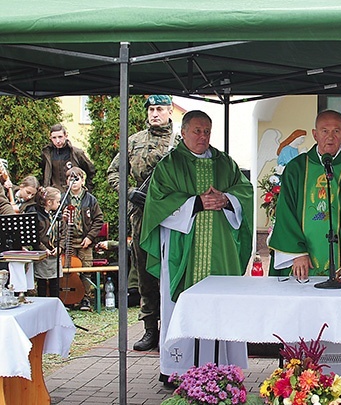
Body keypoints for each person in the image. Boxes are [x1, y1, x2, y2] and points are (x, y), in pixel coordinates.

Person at [139, 109, 253, 384]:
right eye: (197, 131)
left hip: (220, 250)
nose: (203, 137)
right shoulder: (170, 164)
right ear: (184, 132)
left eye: (207, 131)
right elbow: (157, 203)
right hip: (183, 249)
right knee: (181, 303)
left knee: (222, 304)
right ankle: (178, 369)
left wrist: (228, 200)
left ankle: (224, 368)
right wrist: (196, 203)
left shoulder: (225, 163)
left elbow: (245, 191)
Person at [269, 109, 341, 381]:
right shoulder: (297, 168)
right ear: (314, 134)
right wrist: (297, 252)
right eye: (324, 131)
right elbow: (286, 211)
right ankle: (300, 380)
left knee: (340, 319)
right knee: (303, 320)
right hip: (305, 263)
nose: (331, 136)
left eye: (337, 131)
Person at [107, 94, 179, 351]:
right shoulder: (134, 141)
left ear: (170, 111)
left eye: (160, 109)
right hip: (141, 214)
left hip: (172, 214)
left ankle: (173, 327)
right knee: (146, 271)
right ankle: (150, 329)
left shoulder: (179, 142)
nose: (154, 114)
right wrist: (128, 193)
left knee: (171, 270)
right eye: (151, 109)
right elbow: (113, 172)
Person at [61, 167, 104, 311]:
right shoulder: (63, 199)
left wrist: (90, 237)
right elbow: (55, 220)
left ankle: (85, 298)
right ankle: (69, 297)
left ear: (82, 180)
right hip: (68, 241)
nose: (73, 182)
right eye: (70, 179)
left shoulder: (90, 199)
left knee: (86, 268)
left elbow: (98, 219)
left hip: (84, 240)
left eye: (76, 179)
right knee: (68, 268)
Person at [40, 123, 95, 192]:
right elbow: (40, 175)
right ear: (50, 138)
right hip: (53, 196)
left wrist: (86, 191)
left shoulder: (76, 153)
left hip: (72, 194)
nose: (58, 141)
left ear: (66, 136)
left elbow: (91, 171)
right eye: (54, 138)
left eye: (60, 137)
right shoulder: (46, 154)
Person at [29, 186, 62, 297]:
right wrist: (44, 249)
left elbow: (64, 232)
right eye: (57, 201)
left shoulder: (57, 215)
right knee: (42, 283)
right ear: (49, 202)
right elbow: (35, 237)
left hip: (55, 253)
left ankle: (56, 302)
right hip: (42, 254)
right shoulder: (37, 215)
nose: (59, 204)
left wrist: (60, 247)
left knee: (55, 283)